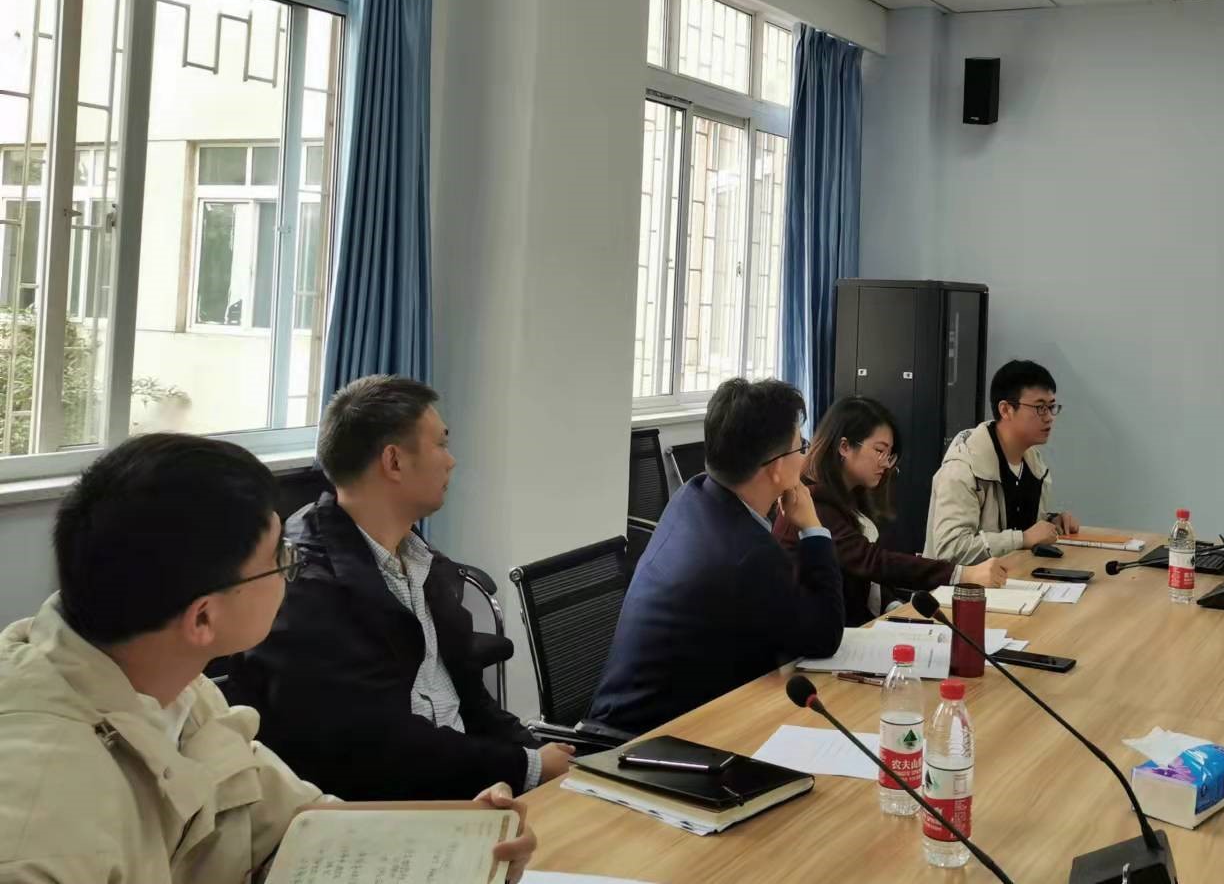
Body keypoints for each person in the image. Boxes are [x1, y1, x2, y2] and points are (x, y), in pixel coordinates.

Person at [0, 434, 534, 883]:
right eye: (279, 558)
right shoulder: (41, 816)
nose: (291, 568)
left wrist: (462, 843)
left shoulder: (176, 688)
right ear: (203, 618)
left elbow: (299, 832)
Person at [227, 376, 571, 800]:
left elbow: (469, 696)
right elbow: (381, 749)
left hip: (472, 787)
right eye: (441, 444)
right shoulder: (307, 587)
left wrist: (533, 754)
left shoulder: (418, 557)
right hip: (389, 810)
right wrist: (527, 767)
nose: (451, 461)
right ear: (393, 461)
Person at [585, 378, 844, 736]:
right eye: (800, 446)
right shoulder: (748, 553)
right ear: (775, 468)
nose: (804, 456)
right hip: (651, 744)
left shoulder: (691, 496)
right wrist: (812, 528)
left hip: (626, 721)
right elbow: (824, 636)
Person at [775, 395, 1009, 622]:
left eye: (890, 454)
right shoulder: (810, 501)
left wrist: (893, 606)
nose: (886, 464)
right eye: (879, 451)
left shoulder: (850, 496)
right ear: (844, 446)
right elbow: (870, 561)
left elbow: (866, 577)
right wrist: (962, 574)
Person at [924, 360, 1083, 565]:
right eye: (1040, 407)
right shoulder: (964, 468)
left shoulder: (1033, 463)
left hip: (1017, 577)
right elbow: (950, 549)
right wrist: (1022, 539)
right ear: (1006, 410)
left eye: (1052, 407)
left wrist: (1052, 521)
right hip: (965, 584)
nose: (1049, 417)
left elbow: (1018, 522)